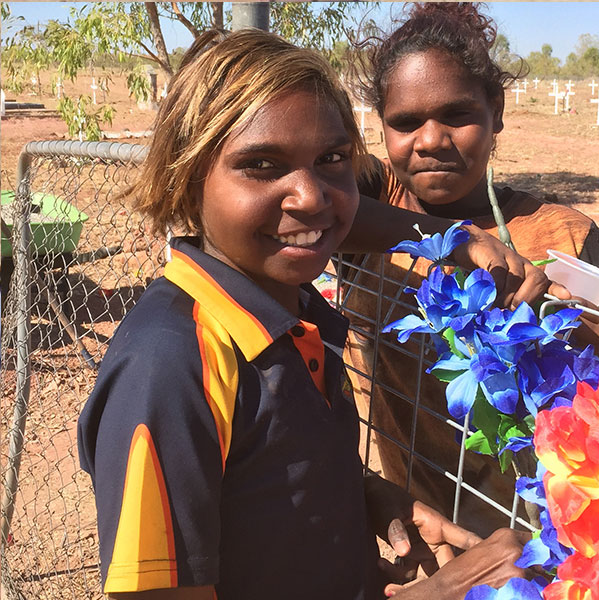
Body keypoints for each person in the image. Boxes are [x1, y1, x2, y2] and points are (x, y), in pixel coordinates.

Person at [77, 28, 540, 600]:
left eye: (332, 159)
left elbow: (259, 477)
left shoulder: (288, 312)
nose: (311, 197)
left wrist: (359, 494)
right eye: (263, 165)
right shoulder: (172, 368)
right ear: (187, 174)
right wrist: (436, 595)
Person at [342, 2, 599, 537]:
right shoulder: (369, 203)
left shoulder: (562, 235)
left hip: (538, 537)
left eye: (456, 114)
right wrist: (452, 241)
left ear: (496, 110)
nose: (430, 140)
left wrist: (581, 323)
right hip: (421, 532)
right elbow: (300, 199)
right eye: (404, 122)